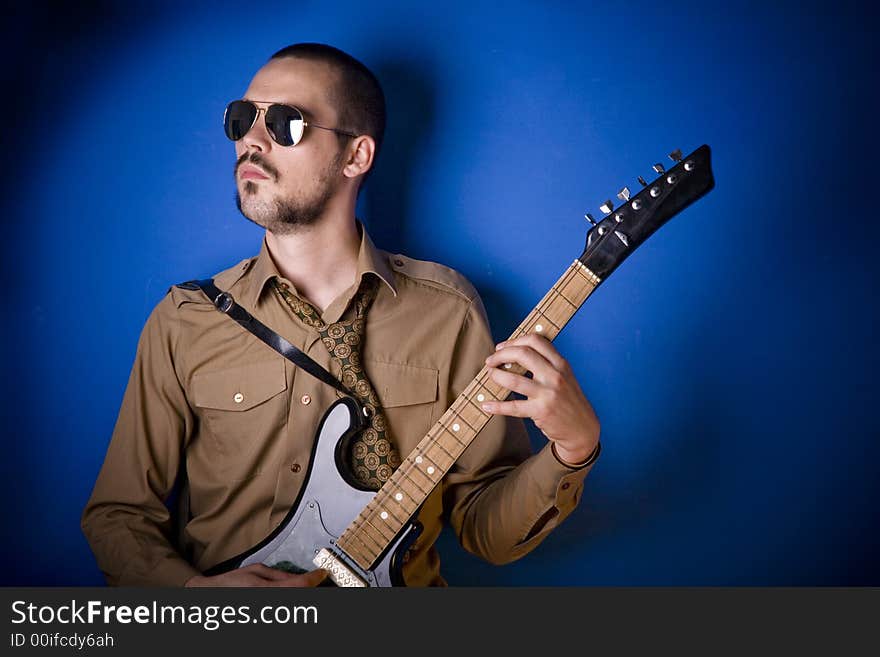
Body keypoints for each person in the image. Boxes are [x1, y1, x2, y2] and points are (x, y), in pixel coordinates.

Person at [81, 43, 601, 587]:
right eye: (242, 119)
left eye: (285, 123)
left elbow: (483, 529)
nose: (251, 141)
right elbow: (118, 515)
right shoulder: (185, 321)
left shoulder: (447, 312)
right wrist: (194, 597)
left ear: (356, 157)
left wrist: (572, 449)